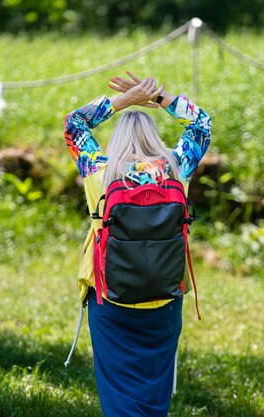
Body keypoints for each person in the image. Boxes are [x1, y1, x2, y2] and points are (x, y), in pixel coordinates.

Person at [63, 71, 212, 417]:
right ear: (154, 138)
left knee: (118, 392)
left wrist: (122, 101)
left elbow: (74, 124)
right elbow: (201, 124)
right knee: (155, 392)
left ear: (116, 141)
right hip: (165, 297)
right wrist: (160, 99)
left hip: (109, 297)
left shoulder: (99, 172)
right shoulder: (178, 169)